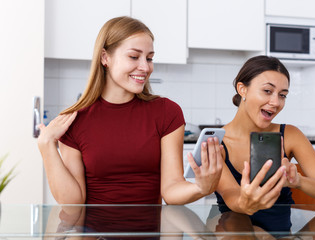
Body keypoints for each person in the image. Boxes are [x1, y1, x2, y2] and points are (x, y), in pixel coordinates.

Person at [37, 16, 223, 205]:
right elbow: (73, 203)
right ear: (105, 57)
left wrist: (201, 187)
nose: (145, 67)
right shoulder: (74, 119)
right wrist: (46, 145)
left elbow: (171, 188)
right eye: (134, 57)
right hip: (96, 233)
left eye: (149, 58)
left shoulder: (167, 112)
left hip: (149, 233)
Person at [213, 55, 315, 232]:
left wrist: (297, 181)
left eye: (282, 95)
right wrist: (256, 227)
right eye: (267, 91)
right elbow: (233, 198)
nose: (276, 102)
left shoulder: (290, 135)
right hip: (234, 232)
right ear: (242, 89)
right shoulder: (217, 142)